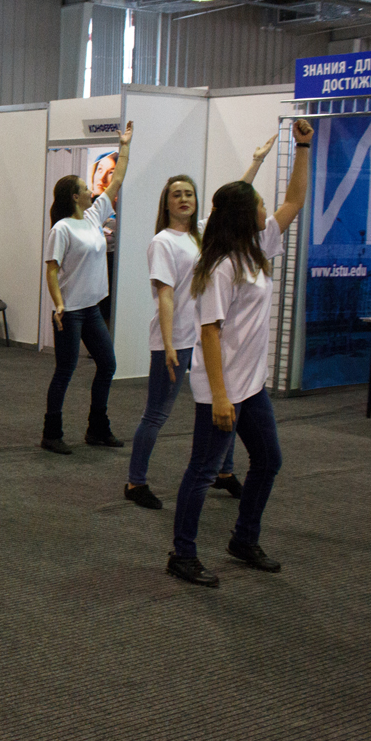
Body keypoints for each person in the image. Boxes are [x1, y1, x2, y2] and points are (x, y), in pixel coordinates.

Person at [166, 120, 313, 587]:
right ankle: (182, 555)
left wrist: (303, 146)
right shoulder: (221, 267)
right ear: (243, 214)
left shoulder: (257, 246)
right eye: (260, 205)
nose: (268, 210)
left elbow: (294, 201)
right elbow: (209, 334)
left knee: (268, 461)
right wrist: (220, 396)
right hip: (222, 387)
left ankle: (243, 539)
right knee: (203, 471)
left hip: (251, 386)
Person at [124, 135, 278, 509]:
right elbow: (165, 295)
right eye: (176, 194)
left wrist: (256, 162)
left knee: (227, 404)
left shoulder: (202, 234)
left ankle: (224, 472)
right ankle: (135, 481)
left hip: (205, 338)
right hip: (175, 340)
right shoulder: (163, 241)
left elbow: (235, 200)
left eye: (189, 193)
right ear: (166, 203)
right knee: (157, 414)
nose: (184, 199)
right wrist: (168, 344)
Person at [40, 122, 133, 455]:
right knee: (65, 370)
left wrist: (124, 146)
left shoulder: (94, 216)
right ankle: (51, 432)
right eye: (84, 187)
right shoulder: (62, 229)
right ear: (74, 196)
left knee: (107, 364)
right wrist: (59, 304)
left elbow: (117, 179)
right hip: (71, 311)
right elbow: (52, 271)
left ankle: (97, 428)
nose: (90, 189)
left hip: (92, 309)